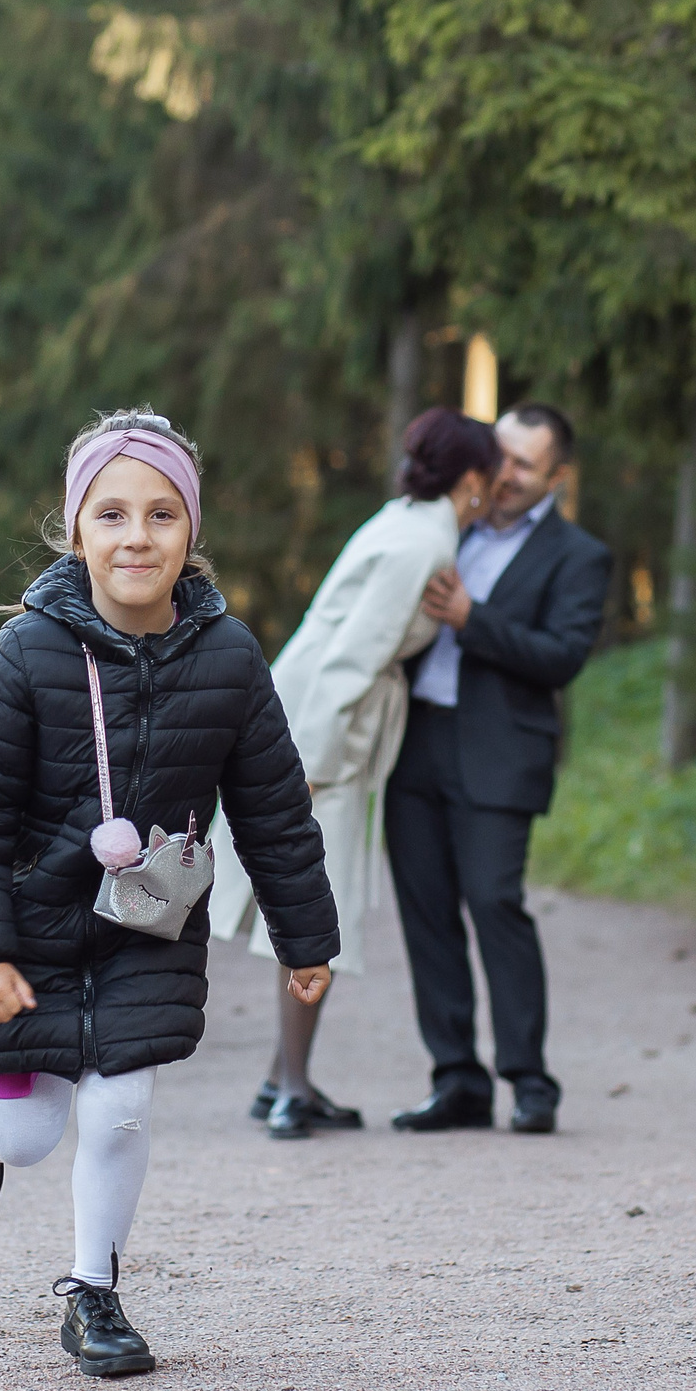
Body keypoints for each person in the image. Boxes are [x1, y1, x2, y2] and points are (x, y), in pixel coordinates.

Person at [0, 408, 339, 1377]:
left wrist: (304, 938)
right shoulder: (24, 655)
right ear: (76, 531)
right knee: (29, 1133)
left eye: (162, 514)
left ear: (191, 530)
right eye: (111, 515)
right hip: (28, 933)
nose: (137, 537)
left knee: (118, 1111)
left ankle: (92, 1293)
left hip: (145, 930)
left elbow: (274, 811)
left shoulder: (229, 658)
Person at [207, 409, 498, 1138]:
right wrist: (306, 765)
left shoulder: (406, 520)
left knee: (311, 901)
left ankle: (283, 1078)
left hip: (328, 718)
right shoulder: (423, 543)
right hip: (323, 727)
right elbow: (351, 659)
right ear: (472, 478)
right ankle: (292, 1090)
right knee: (313, 905)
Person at [385, 401, 612, 1135]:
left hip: (500, 753)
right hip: (415, 741)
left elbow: (562, 656)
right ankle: (456, 1078)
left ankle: (528, 1078)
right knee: (425, 911)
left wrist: (471, 619)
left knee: (494, 902)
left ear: (558, 477)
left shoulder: (579, 556)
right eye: (499, 454)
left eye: (524, 464)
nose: (503, 473)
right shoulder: (446, 524)